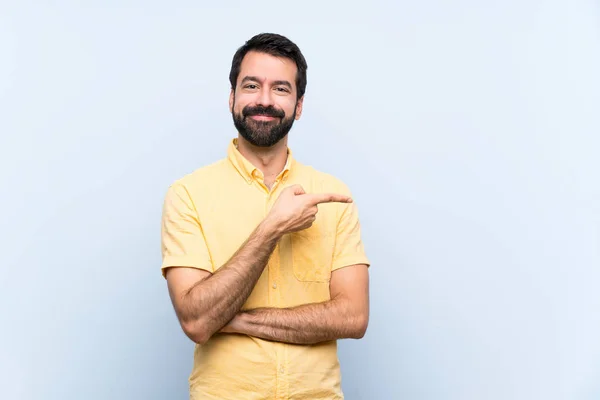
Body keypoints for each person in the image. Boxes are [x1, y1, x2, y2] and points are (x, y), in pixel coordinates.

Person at [160, 32, 370, 400]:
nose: (264, 100)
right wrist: (273, 226)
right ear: (232, 97)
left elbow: (353, 318)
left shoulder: (332, 195)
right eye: (252, 85)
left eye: (281, 89)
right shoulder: (188, 195)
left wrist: (237, 320)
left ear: (299, 105)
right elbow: (196, 319)